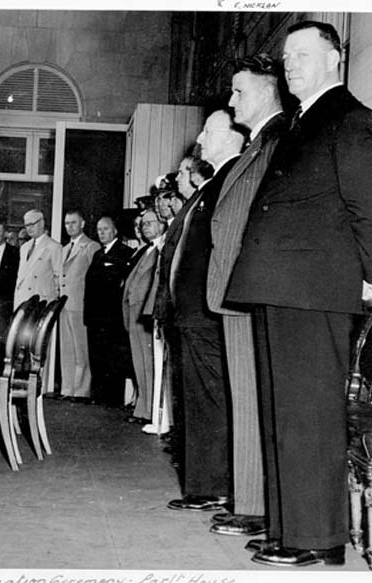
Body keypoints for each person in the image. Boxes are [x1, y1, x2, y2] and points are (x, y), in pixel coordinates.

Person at [226, 21, 372, 567]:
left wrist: (365, 274)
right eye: (286, 55)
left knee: (310, 417)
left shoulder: (350, 119)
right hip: (282, 286)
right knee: (282, 414)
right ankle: (286, 527)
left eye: (303, 52)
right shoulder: (303, 122)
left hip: (315, 288)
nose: (290, 63)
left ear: (335, 58)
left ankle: (318, 540)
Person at [204, 54, 289, 538]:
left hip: (250, 285)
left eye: (240, 91)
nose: (233, 99)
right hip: (238, 287)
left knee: (252, 399)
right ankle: (248, 499)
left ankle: (255, 505)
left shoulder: (278, 139)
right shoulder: (262, 141)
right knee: (244, 398)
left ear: (267, 90)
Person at [160, 110, 244, 513]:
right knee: (197, 400)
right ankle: (204, 484)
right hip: (191, 312)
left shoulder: (231, 179)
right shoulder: (211, 185)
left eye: (209, 131)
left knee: (210, 400)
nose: (200, 138)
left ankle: (214, 487)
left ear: (233, 137)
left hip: (206, 312)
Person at [83, 216, 133, 407]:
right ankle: (99, 397)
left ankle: (111, 402)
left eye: (105, 229)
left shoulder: (125, 252)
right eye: (98, 229)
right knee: (97, 359)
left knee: (113, 361)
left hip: (112, 319)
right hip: (95, 318)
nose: (101, 233)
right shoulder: (97, 254)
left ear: (115, 231)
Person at [122, 209, 166, 423]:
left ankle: (149, 411)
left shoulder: (161, 249)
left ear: (162, 224)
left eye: (150, 222)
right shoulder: (148, 250)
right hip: (135, 313)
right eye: (143, 224)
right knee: (140, 363)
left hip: (146, 314)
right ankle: (143, 409)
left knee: (148, 363)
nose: (144, 227)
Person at [58, 209, 100, 402]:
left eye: (73, 223)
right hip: (64, 305)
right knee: (66, 349)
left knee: (81, 349)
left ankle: (81, 390)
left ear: (82, 224)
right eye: (67, 223)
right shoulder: (65, 249)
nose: (70, 227)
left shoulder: (91, 246)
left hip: (80, 304)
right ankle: (67, 389)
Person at [13, 209, 62, 306]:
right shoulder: (24, 247)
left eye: (32, 224)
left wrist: (52, 299)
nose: (29, 228)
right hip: (22, 300)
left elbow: (58, 278)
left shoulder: (54, 247)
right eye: (27, 225)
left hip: (41, 301)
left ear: (42, 223)